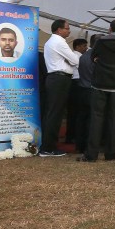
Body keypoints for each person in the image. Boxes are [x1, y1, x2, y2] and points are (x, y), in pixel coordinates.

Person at [79, 20, 115, 162]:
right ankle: (111, 154)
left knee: (96, 118)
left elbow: (93, 57)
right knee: (114, 119)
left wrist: (100, 61)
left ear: (110, 29)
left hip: (100, 84)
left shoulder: (101, 42)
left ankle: (91, 154)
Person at [40, 19, 79, 157]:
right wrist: (69, 60)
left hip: (56, 78)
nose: (69, 31)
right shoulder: (59, 42)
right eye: (67, 28)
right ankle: (48, 147)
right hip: (59, 78)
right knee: (54, 114)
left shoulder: (52, 41)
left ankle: (48, 145)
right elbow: (75, 60)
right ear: (59, 30)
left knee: (53, 113)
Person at [75, 34, 99, 154]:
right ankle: (88, 146)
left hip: (82, 89)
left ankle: (79, 145)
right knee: (91, 119)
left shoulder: (83, 56)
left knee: (81, 119)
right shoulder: (96, 57)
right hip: (92, 90)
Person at [65, 38, 88, 144]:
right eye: (84, 46)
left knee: (74, 112)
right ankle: (72, 136)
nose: (86, 48)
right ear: (77, 47)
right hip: (76, 83)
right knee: (75, 112)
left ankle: (71, 135)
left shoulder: (79, 56)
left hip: (75, 83)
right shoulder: (77, 57)